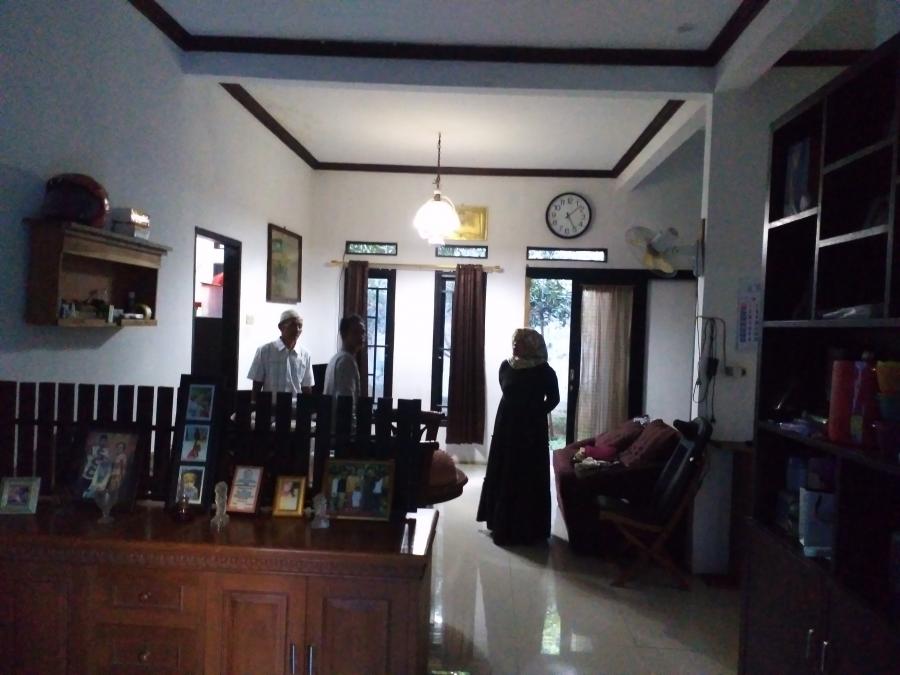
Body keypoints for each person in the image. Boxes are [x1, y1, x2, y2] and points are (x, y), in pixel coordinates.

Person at [477, 328, 560, 546]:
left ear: (532, 346)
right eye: (515, 341)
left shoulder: (545, 371)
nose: (515, 345)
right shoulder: (506, 366)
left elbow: (554, 398)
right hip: (506, 426)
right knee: (504, 470)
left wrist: (535, 413)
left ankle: (528, 529)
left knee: (526, 474)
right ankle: (501, 523)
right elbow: (507, 391)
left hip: (531, 431)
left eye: (521, 342)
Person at [247, 309, 313, 395]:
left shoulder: (305, 354)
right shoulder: (264, 351)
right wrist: (253, 402)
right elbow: (257, 385)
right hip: (271, 402)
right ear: (281, 327)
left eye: (300, 326)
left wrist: (309, 403)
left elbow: (306, 387)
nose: (297, 329)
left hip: (295, 403)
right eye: (293, 325)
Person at [323, 314, 366, 399]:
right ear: (343, 334)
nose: (361, 336)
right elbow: (346, 400)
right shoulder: (346, 361)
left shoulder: (335, 358)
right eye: (356, 332)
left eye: (363, 332)